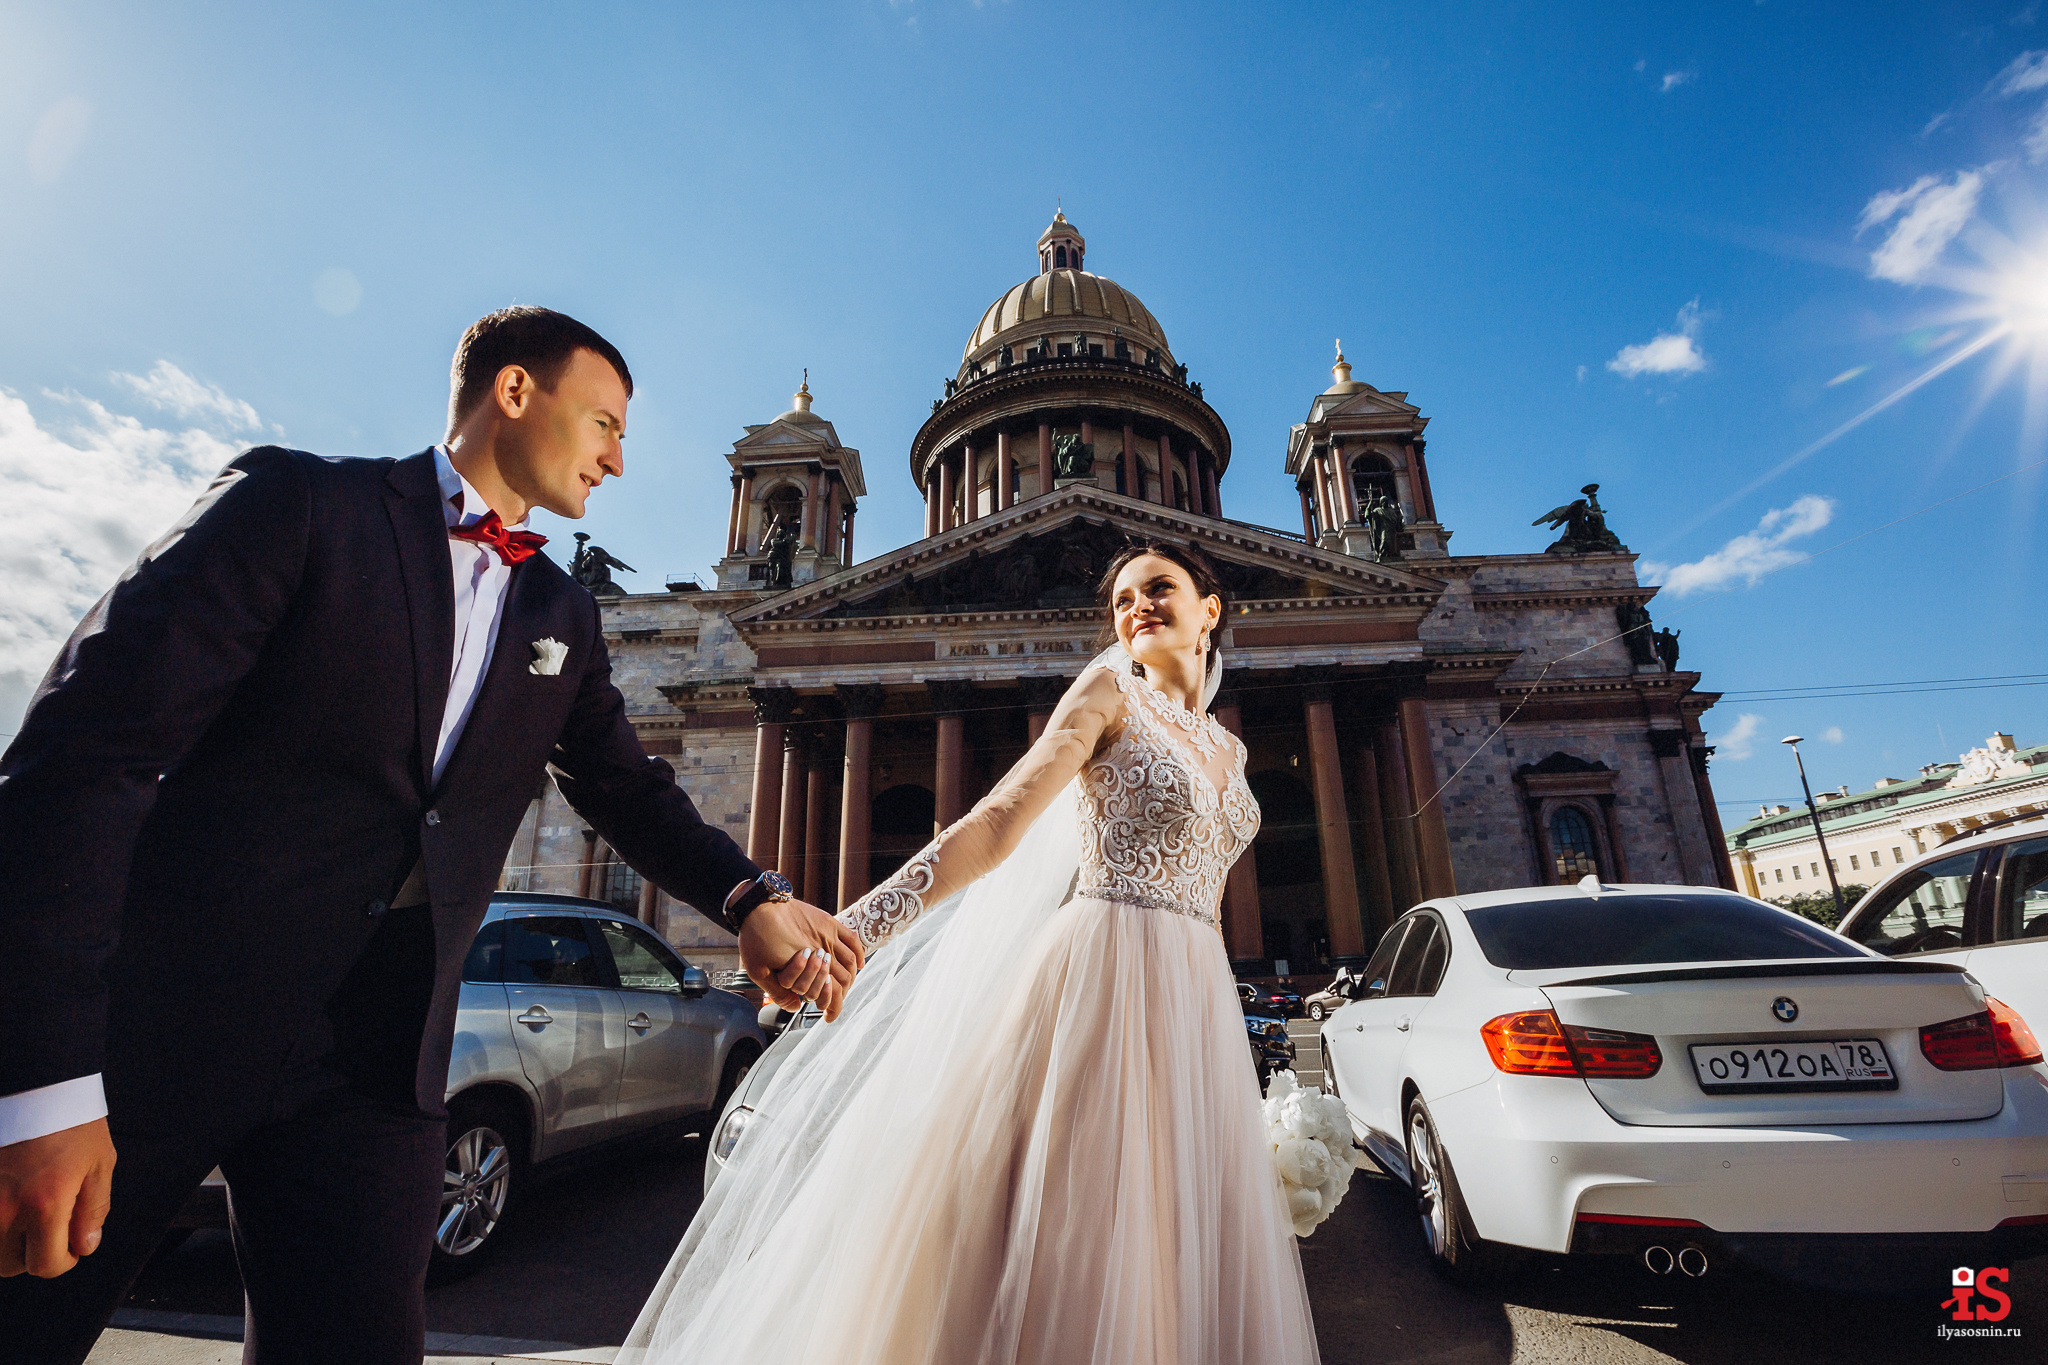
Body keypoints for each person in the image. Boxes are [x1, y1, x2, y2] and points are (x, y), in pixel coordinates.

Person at [0, 306, 864, 1365]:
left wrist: (749, 898)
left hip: (379, 1070)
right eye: (602, 423)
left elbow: (627, 789)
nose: (620, 461)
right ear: (513, 392)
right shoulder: (297, 505)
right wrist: (41, 1085)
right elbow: (83, 760)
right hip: (161, 1035)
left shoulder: (558, 610)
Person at [623, 541, 1320, 1365]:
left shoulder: (1230, 751)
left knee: (1180, 1221)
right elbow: (995, 824)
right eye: (1122, 598)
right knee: (1076, 1223)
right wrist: (851, 930)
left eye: (1159, 587)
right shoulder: (1107, 694)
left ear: (1211, 609)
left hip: (1196, 988)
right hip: (1104, 972)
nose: (1137, 606)